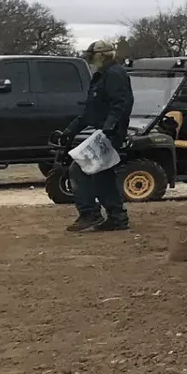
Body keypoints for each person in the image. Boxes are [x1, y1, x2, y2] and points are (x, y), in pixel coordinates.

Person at [66, 40, 134, 232]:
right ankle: (117, 217)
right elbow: (90, 111)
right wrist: (71, 130)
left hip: (109, 134)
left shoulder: (113, 75)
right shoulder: (103, 76)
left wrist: (109, 128)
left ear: (101, 55)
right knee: (102, 175)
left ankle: (90, 213)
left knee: (79, 169)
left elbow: (121, 104)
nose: (89, 59)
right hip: (104, 132)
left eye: (91, 55)